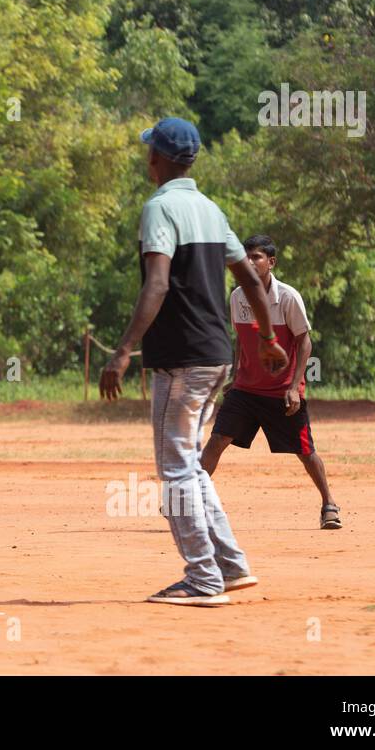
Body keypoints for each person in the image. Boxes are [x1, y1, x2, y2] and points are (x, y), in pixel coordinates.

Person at [100, 118, 288, 606]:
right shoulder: (209, 209)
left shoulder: (159, 208)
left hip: (181, 360)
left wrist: (122, 351)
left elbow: (157, 284)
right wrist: (267, 337)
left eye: (150, 153)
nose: (148, 160)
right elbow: (249, 280)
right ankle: (230, 566)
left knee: (175, 470)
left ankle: (203, 579)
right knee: (191, 467)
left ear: (158, 159)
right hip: (215, 355)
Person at [200, 235, 341, 528]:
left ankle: (329, 504)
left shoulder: (288, 297)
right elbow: (242, 338)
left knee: (305, 452)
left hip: (281, 392)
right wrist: (237, 374)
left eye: (257, 257)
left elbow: (304, 341)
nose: (250, 262)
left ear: (271, 262)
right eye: (246, 257)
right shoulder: (238, 296)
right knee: (216, 441)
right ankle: (185, 500)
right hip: (246, 390)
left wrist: (294, 386)